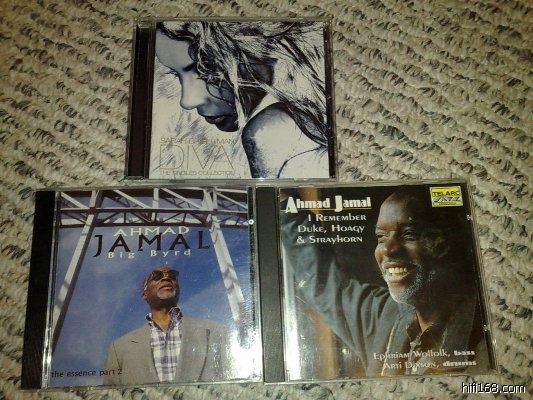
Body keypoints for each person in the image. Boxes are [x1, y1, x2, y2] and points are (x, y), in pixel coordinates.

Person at [280, 186, 490, 376]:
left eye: (408, 234)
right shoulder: (384, 315)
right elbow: (323, 282)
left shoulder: (486, 333)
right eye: (381, 237)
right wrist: (286, 205)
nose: (387, 249)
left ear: (443, 245)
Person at [154, 21, 331, 178]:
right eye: (177, 75)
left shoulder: (269, 130)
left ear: (260, 46)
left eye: (206, 69)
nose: (187, 101)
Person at [103, 266, 228, 385]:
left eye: (172, 276)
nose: (166, 278)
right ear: (144, 295)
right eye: (156, 276)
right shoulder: (119, 348)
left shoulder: (214, 332)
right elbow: (110, 394)